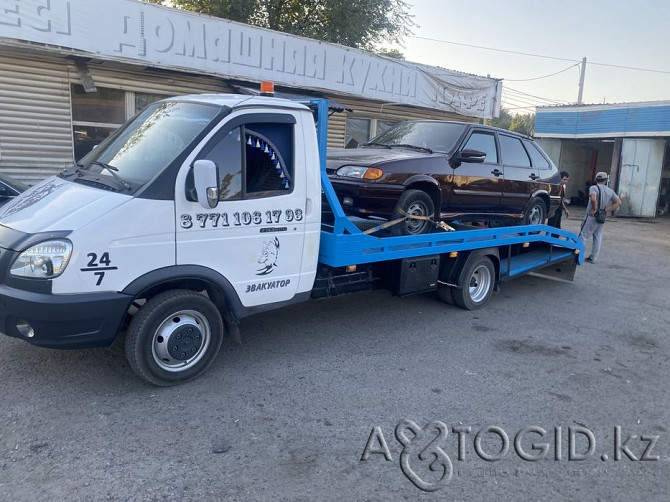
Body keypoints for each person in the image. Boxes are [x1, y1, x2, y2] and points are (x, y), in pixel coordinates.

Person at [578, 171, 621, 263]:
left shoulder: (593, 188)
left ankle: (577, 255)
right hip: (602, 216)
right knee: (598, 237)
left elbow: (593, 198)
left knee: (583, 236)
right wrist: (607, 210)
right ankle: (593, 258)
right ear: (605, 180)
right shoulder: (610, 191)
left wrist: (594, 209)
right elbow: (618, 202)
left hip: (592, 216)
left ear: (596, 179)